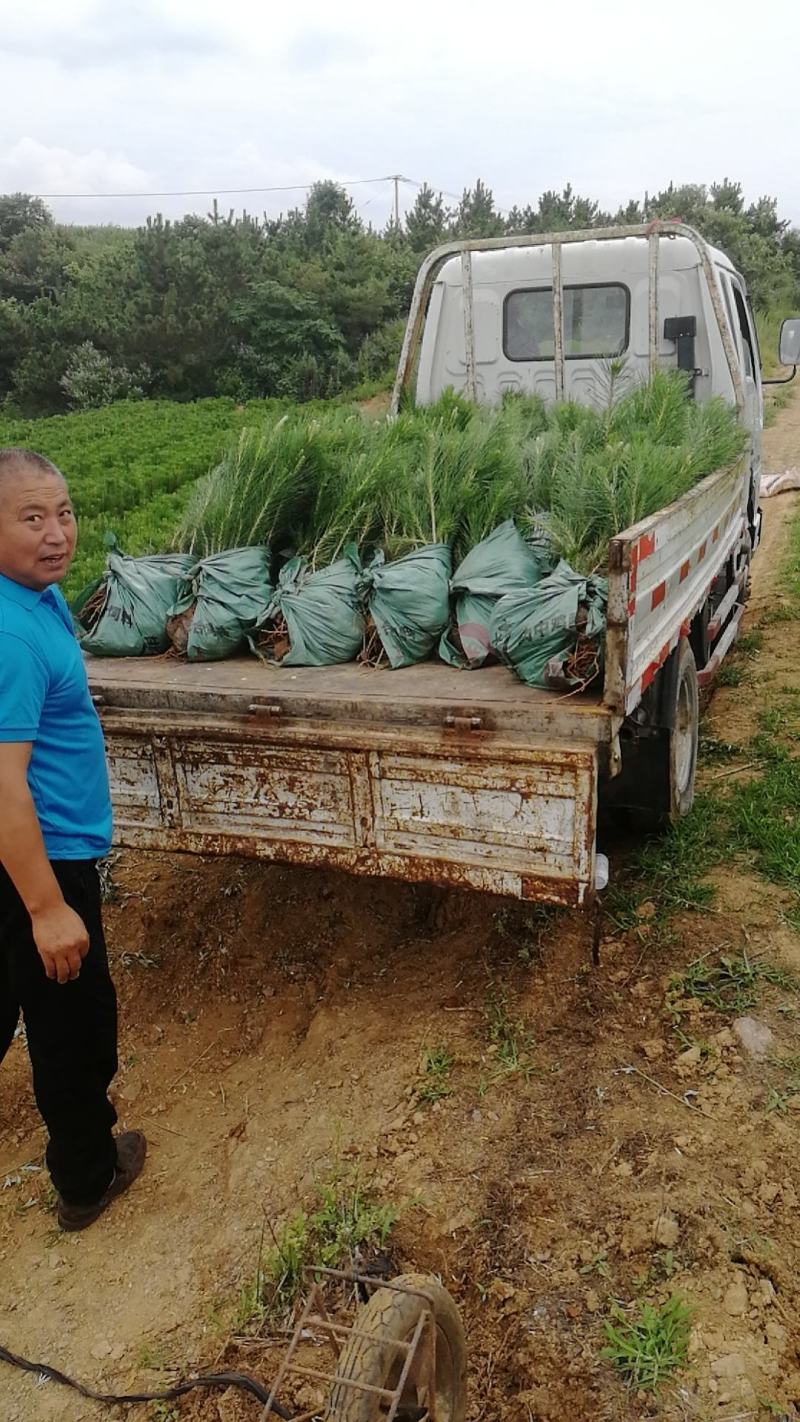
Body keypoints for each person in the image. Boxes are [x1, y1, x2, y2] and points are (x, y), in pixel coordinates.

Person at [0, 446, 145, 1231]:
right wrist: (49, 908)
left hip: (30, 857)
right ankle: (87, 1181)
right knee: (70, 1027)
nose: (57, 533)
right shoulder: (12, 637)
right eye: (31, 517)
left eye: (64, 512)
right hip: (39, 861)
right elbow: (1, 783)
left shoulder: (31, 599)